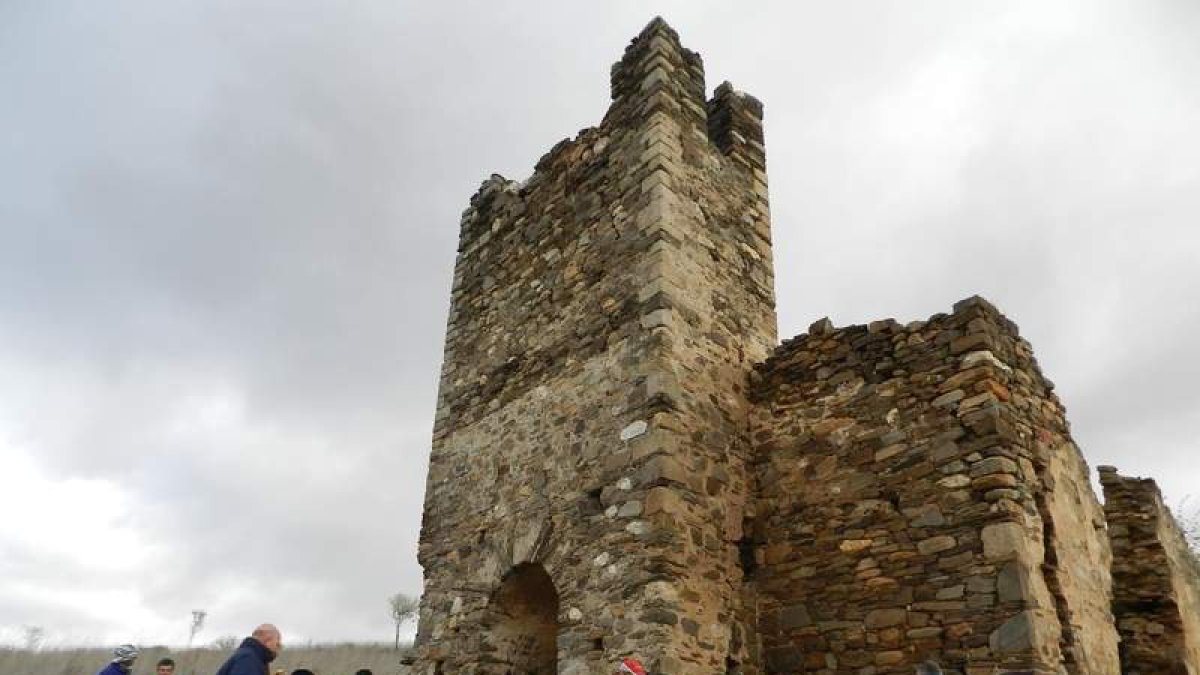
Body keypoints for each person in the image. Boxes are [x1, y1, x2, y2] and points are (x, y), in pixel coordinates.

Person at [215, 623, 283, 675]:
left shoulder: (252, 657)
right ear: (267, 639)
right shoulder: (248, 658)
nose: (279, 647)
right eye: (277, 643)